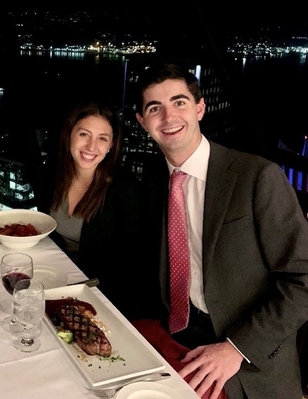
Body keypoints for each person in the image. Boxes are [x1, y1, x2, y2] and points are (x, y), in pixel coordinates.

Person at [135, 62, 308, 399]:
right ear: (143, 123)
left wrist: (236, 348)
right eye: (155, 108)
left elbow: (304, 281)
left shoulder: (255, 177)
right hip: (178, 338)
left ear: (200, 108)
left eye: (179, 102)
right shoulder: (155, 182)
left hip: (247, 356)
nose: (168, 117)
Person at [36, 100, 157, 320]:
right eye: (84, 134)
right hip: (52, 280)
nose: (92, 147)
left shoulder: (125, 188)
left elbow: (134, 267)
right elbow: (45, 232)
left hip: (101, 299)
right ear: (69, 134)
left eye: (102, 139)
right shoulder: (52, 171)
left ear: (111, 145)